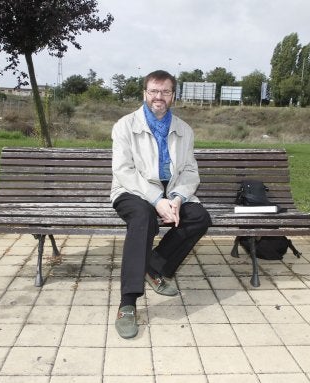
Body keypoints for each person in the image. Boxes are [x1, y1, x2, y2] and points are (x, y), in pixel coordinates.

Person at [110, 70, 212, 338]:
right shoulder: (125, 126)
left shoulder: (184, 130)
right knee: (143, 218)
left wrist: (177, 198)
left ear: (173, 95)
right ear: (145, 93)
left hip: (171, 190)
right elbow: (124, 171)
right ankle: (128, 303)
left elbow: (190, 171)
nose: (159, 97)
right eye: (154, 91)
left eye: (165, 92)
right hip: (132, 190)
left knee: (199, 217)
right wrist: (156, 200)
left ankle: (153, 266)